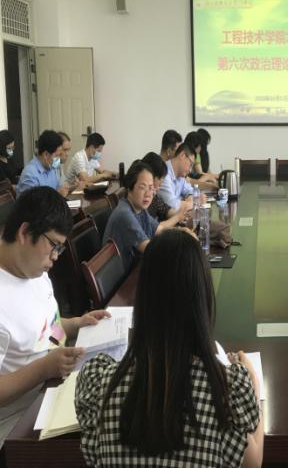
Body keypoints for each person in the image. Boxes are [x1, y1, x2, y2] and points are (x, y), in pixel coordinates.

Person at [75, 230, 264, 468]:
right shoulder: (225, 390)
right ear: (202, 298)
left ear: (143, 297)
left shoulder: (102, 384)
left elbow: (94, 455)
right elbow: (253, 463)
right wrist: (255, 386)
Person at [0, 187, 108, 448]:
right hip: (19, 422)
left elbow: (45, 329)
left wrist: (75, 324)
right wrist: (44, 368)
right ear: (25, 232)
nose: (56, 257)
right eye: (54, 245)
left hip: (54, 386)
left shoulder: (33, 269)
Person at [103, 162, 160, 274]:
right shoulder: (124, 214)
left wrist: (181, 232)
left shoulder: (140, 209)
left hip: (133, 269)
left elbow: (159, 229)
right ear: (129, 189)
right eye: (142, 187)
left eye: (151, 188)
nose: (148, 194)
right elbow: (149, 249)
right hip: (122, 279)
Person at [141, 152, 192, 225]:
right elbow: (155, 228)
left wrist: (186, 216)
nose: (161, 184)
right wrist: (178, 218)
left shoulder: (154, 197)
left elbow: (168, 211)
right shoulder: (139, 204)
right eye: (160, 179)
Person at [16, 130, 71, 197]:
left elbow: (59, 188)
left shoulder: (51, 168)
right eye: (57, 155)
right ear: (46, 155)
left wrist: (69, 188)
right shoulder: (30, 175)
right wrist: (58, 194)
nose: (59, 159)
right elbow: (34, 203)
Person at [158, 142, 202, 210]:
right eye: (190, 164)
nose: (190, 170)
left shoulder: (181, 175)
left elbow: (190, 190)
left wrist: (190, 197)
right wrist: (195, 202)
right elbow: (172, 205)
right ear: (182, 156)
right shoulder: (164, 173)